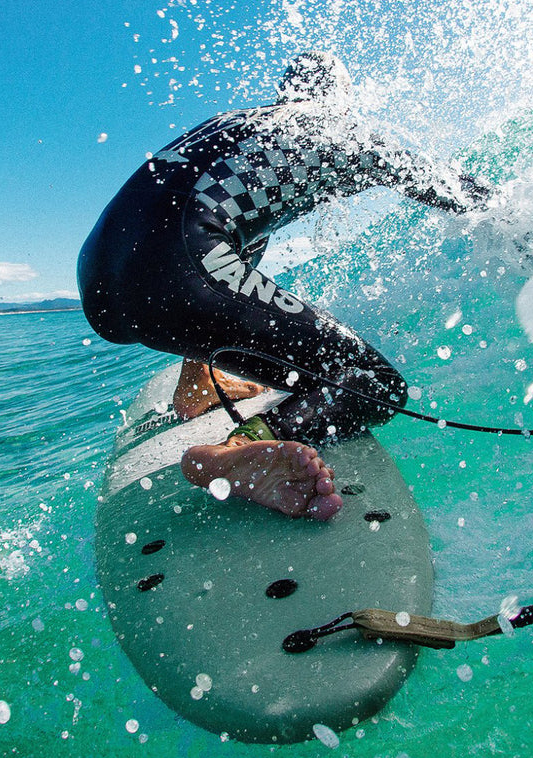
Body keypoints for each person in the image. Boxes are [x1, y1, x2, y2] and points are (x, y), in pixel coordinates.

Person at [78, 52, 489, 522]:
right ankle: (241, 448)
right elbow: (447, 187)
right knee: (376, 384)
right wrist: (517, 220)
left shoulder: (238, 123)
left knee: (242, 237)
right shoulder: (337, 131)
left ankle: (196, 382)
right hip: (179, 268)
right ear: (341, 99)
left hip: (99, 279)